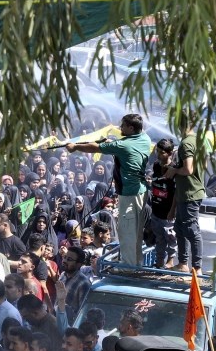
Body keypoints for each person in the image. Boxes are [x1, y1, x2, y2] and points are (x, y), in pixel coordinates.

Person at [66, 114, 151, 266]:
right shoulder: (144, 138)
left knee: (126, 231)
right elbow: (125, 143)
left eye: (123, 126)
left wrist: (75, 146)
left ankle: (128, 267)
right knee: (134, 230)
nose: (120, 128)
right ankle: (135, 263)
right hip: (140, 192)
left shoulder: (123, 145)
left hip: (130, 194)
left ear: (131, 128)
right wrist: (113, 142)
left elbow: (95, 147)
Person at [164, 109, 206, 273]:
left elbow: (188, 169)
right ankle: (183, 264)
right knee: (180, 229)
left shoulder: (186, 143)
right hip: (185, 193)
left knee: (191, 230)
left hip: (190, 193)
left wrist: (174, 170)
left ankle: (197, 268)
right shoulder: (198, 141)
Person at [148, 138, 178, 269]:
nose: (159, 155)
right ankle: (159, 261)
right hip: (156, 209)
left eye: (162, 153)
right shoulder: (156, 165)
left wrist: (172, 211)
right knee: (159, 238)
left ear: (170, 153)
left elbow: (176, 193)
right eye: (157, 151)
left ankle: (170, 261)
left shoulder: (173, 169)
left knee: (170, 237)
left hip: (168, 212)